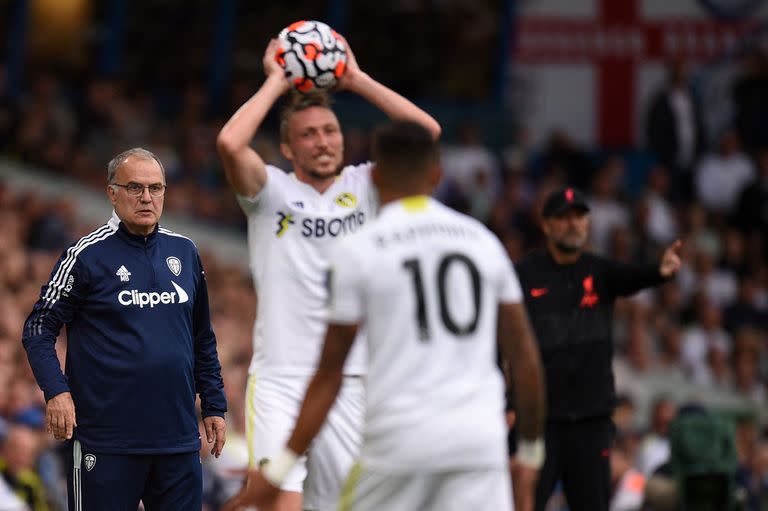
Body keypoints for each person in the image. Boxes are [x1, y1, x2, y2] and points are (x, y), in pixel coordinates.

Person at [221, 120, 546, 511]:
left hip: (400, 436)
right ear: (437, 175)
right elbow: (525, 359)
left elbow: (328, 373)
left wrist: (280, 469)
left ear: (373, 177)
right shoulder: (483, 242)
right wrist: (529, 454)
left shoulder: (360, 250)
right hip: (479, 437)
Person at [216, 36, 441, 511]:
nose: (323, 141)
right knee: (279, 502)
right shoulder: (268, 192)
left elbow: (427, 132)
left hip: (352, 378)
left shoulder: (369, 185)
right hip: (280, 378)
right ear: (287, 148)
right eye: (309, 134)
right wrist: (277, 79)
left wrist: (356, 80)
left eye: (330, 130)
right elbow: (230, 142)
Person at [21, 148, 227, 510]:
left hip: (177, 440)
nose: (147, 197)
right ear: (112, 193)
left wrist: (214, 404)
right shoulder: (85, 256)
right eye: (134, 187)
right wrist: (56, 391)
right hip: (107, 442)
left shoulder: (187, 251)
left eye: (156, 188)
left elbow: (201, 338)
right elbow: (38, 327)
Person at [515, 187, 682, 511]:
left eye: (579, 216)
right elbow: (507, 341)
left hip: (591, 423)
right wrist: (510, 404)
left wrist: (660, 271)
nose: (573, 224)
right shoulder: (524, 274)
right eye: (563, 218)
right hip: (540, 422)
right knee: (524, 504)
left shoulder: (599, 271)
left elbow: (635, 275)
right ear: (546, 225)